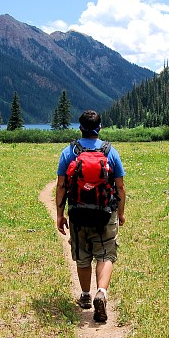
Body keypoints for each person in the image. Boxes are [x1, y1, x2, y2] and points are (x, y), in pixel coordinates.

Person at [55, 110, 126, 323]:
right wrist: (120, 213)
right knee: (105, 254)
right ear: (100, 128)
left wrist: (60, 214)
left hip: (78, 213)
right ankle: (101, 293)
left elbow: (61, 185)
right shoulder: (110, 152)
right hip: (105, 213)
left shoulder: (69, 152)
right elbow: (120, 187)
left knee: (82, 254)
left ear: (80, 128)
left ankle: (85, 295)